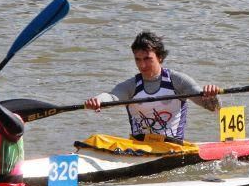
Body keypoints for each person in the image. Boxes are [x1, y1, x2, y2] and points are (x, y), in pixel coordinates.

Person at [84, 31, 219, 141]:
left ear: (159, 57)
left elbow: (213, 108)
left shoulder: (177, 81)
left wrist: (211, 95)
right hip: (138, 147)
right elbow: (112, 97)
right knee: (96, 139)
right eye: (138, 59)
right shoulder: (131, 86)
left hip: (171, 147)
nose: (142, 65)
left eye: (147, 59)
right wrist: (98, 100)